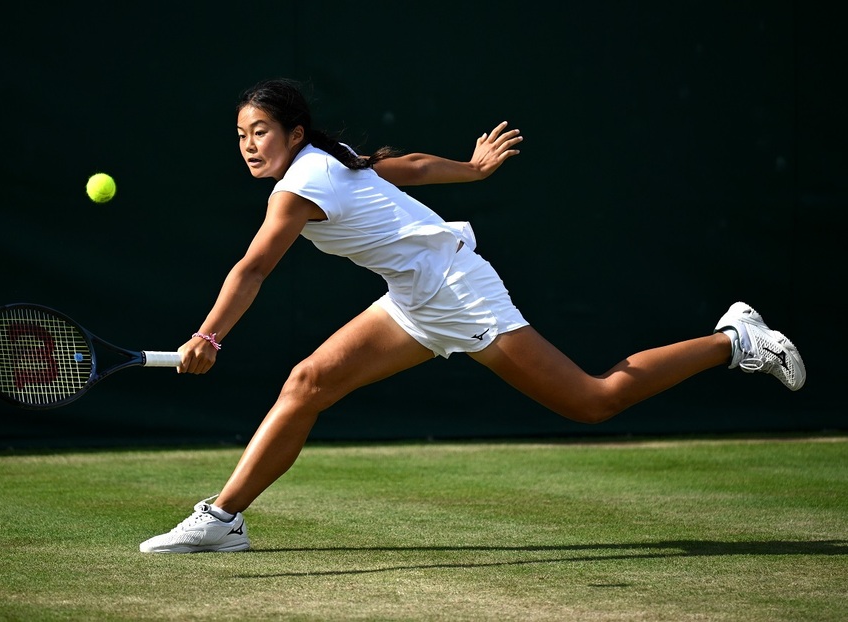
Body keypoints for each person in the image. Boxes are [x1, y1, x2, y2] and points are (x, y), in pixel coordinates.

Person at [139, 78, 806, 553]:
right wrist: (476, 170)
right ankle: (224, 517)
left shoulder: (296, 189)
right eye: (241, 136)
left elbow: (253, 269)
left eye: (261, 132)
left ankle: (734, 339)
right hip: (415, 294)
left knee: (593, 401)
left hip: (456, 291)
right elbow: (411, 167)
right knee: (307, 384)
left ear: (292, 133)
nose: (250, 145)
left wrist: (207, 336)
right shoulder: (329, 161)